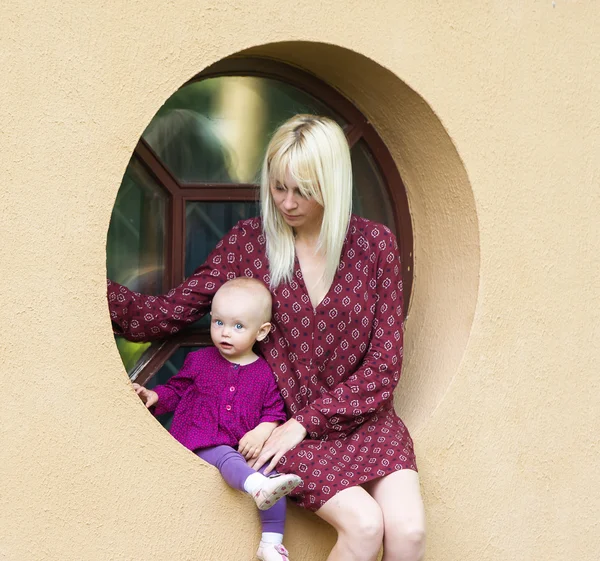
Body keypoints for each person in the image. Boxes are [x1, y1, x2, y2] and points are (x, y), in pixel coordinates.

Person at [109, 114, 426, 561]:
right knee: (365, 525)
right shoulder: (248, 244)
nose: (288, 202)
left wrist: (304, 424)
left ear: (332, 187)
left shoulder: (376, 246)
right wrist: (82, 288)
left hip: (363, 422)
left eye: (304, 191)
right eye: (279, 187)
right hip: (282, 427)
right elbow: (170, 312)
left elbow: (384, 367)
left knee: (409, 534)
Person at [133, 277, 301, 561]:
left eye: (238, 326)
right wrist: (155, 397)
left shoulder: (264, 373)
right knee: (227, 457)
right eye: (218, 322)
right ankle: (256, 487)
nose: (225, 333)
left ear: (261, 332)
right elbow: (177, 389)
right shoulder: (200, 361)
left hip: (241, 449)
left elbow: (274, 412)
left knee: (275, 479)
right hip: (202, 441)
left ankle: (271, 543)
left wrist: (262, 431)